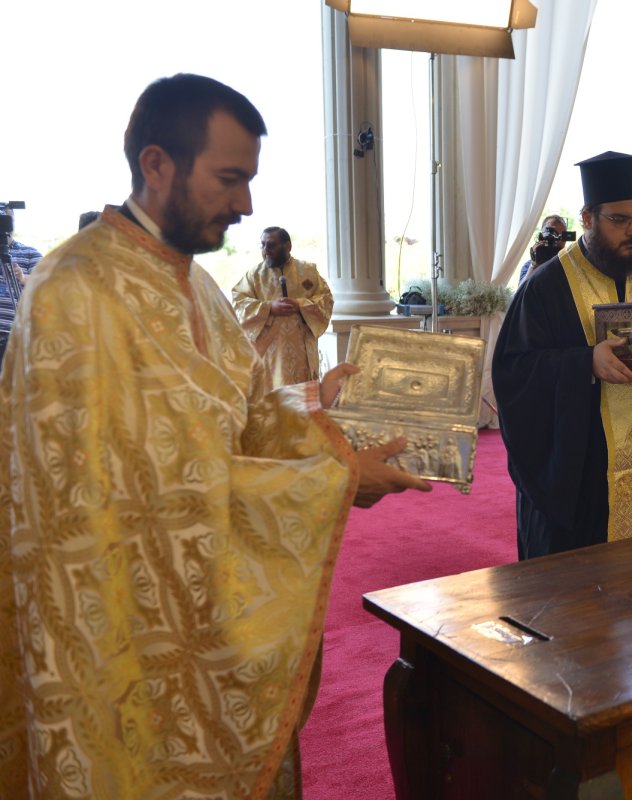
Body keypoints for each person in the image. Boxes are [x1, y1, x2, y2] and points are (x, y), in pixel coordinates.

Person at [0, 73, 429, 798]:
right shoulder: (72, 292)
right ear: (157, 164)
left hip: (201, 611)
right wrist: (333, 481)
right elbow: (118, 499)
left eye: (250, 180)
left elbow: (245, 416)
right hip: (117, 634)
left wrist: (328, 432)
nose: (247, 204)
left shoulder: (196, 284)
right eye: (230, 179)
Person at [493, 151, 632, 560]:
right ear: (588, 219)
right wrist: (585, 363)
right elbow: (513, 373)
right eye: (620, 220)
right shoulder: (545, 287)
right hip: (582, 474)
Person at [232, 226, 334, 387]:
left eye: (271, 245)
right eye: (262, 245)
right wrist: (269, 308)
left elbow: (326, 300)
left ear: (287, 246)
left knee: (302, 401)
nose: (266, 250)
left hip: (301, 351)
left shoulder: (308, 272)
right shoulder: (254, 275)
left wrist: (300, 304)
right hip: (269, 353)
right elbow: (238, 303)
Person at [0, 207, 42, 363]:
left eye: (7, 219)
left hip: (14, 334)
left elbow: (42, 282)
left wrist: (23, 278)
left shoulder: (30, 252)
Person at [518, 214, 570, 283]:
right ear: (541, 236)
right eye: (550, 233)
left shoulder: (570, 265)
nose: (555, 240)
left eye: (560, 236)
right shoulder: (529, 265)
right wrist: (534, 266)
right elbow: (521, 292)